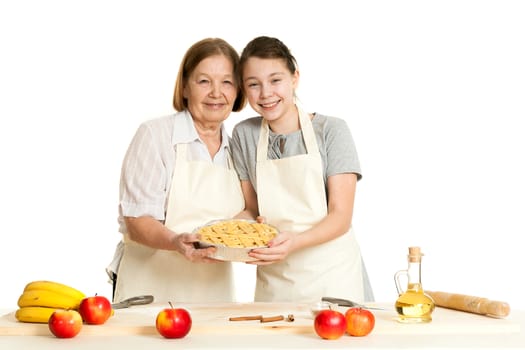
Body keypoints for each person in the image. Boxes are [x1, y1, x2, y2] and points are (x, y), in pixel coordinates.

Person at [231, 36, 374, 303]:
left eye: (275, 80)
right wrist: (223, 235)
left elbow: (340, 216)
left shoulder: (332, 131)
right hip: (276, 281)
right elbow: (252, 209)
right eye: (253, 84)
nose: (265, 93)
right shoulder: (244, 135)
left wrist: (294, 242)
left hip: (334, 276)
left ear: (294, 78)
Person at [106, 37, 246, 303]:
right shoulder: (155, 136)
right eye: (204, 81)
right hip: (150, 292)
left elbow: (240, 218)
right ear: (184, 87)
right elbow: (137, 221)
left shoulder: (238, 148)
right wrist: (176, 243)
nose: (217, 93)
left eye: (226, 82)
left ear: (237, 90)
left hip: (215, 295)